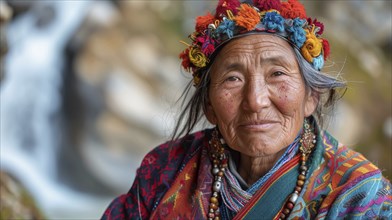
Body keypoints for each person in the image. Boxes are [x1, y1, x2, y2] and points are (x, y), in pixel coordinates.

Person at [102, 0, 391, 219]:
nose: (255, 101)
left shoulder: (359, 196)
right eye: (233, 79)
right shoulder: (164, 169)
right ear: (209, 106)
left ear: (311, 97)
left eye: (277, 74)